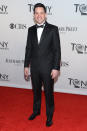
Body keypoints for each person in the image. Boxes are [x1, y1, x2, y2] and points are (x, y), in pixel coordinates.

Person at [24, 3, 61, 127]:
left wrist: (56, 68)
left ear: (45, 14)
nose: (39, 15)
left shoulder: (53, 29)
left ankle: (49, 116)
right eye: (36, 13)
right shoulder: (30, 30)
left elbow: (57, 50)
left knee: (49, 93)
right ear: (34, 15)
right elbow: (28, 48)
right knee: (36, 92)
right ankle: (36, 111)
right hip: (35, 68)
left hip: (48, 68)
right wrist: (26, 66)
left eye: (41, 13)